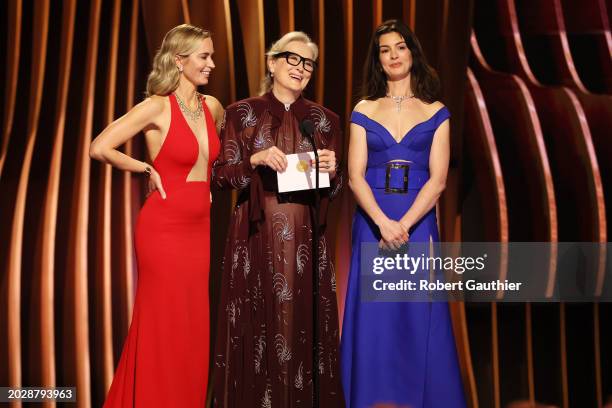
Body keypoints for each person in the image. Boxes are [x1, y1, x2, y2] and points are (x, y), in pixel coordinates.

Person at [89, 24, 222, 407]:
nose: (211, 64)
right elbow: (100, 147)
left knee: (192, 325)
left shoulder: (211, 107)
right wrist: (145, 168)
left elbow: (215, 159)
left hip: (200, 230)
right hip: (163, 229)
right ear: (179, 61)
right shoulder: (156, 106)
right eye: (204, 57)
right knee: (163, 322)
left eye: (211, 56)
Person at [210, 31, 345, 407]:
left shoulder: (325, 120)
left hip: (304, 235)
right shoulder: (242, 112)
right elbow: (220, 177)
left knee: (299, 326)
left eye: (308, 63)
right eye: (292, 59)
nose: (300, 68)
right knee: (257, 327)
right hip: (256, 232)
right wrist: (253, 160)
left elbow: (335, 191)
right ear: (272, 62)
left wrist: (334, 172)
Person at [340, 20, 466, 407]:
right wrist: (382, 222)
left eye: (400, 48)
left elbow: (439, 181)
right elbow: (355, 176)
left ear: (412, 53)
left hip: (416, 225)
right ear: (377, 60)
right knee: (375, 322)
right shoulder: (363, 109)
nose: (393, 56)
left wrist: (404, 225)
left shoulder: (436, 111)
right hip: (373, 225)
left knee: (416, 315)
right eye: (384, 50)